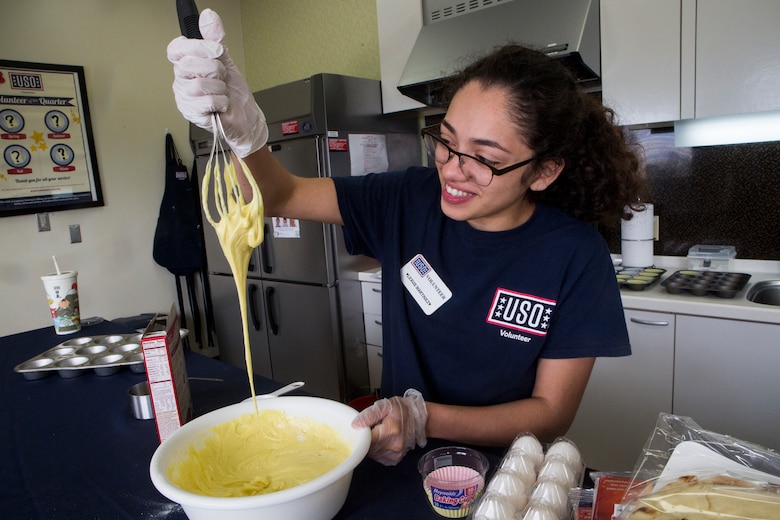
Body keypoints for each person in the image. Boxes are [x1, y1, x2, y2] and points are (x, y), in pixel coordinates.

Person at [168, 9, 647, 466]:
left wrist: (425, 418)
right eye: (447, 140)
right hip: (395, 457)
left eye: (484, 157)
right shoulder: (407, 199)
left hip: (503, 473)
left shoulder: (575, 255)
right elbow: (281, 195)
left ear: (542, 172)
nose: (452, 170)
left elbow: (549, 413)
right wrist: (245, 137)